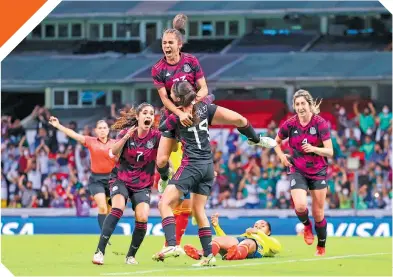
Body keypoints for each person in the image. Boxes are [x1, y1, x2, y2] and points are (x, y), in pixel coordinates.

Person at [152, 81, 276, 266]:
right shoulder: (204, 108)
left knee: (164, 204)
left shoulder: (171, 119)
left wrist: (163, 176)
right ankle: (208, 256)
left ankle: (171, 244)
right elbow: (239, 119)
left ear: (176, 99)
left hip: (191, 165)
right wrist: (254, 138)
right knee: (199, 210)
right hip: (208, 167)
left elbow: (162, 160)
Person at [151, 13, 209, 248]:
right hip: (173, 117)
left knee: (189, 158)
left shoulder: (192, 62)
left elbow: (204, 88)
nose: (166, 46)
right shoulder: (158, 69)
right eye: (164, 43)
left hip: (193, 116)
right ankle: (165, 179)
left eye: (170, 42)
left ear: (179, 44)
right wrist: (179, 112)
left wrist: (191, 107)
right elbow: (164, 98)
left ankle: (186, 184)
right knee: (161, 160)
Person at [92, 103, 160, 265]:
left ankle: (130, 256)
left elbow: (163, 157)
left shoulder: (157, 137)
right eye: (145, 112)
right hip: (121, 179)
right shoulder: (126, 133)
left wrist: (168, 172)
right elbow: (113, 152)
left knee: (142, 217)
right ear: (138, 116)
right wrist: (125, 137)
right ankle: (99, 251)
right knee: (118, 208)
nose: (148, 115)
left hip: (143, 183)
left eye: (151, 113)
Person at [273, 89, 333, 256]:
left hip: (318, 171)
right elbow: (275, 142)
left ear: (310, 105)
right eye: (297, 104)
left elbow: (330, 151)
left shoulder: (320, 123)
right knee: (300, 206)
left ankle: (321, 246)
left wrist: (314, 148)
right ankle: (307, 226)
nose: (300, 107)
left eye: (303, 104)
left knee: (318, 213)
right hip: (297, 169)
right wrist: (281, 156)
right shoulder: (290, 124)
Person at [48, 117, 116, 233]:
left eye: (104, 128)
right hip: (97, 179)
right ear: (96, 131)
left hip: (112, 179)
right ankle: (104, 234)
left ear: (108, 130)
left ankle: (107, 232)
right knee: (102, 207)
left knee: (111, 210)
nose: (102, 130)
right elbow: (73, 134)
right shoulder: (90, 141)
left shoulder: (115, 143)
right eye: (100, 128)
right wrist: (58, 126)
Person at [184, 213, 281, 261]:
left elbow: (277, 248)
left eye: (262, 226)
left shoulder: (268, 240)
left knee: (248, 242)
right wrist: (217, 226)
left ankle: (236, 253)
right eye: (256, 226)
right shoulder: (246, 234)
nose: (258, 227)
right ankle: (200, 253)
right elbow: (225, 239)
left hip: (253, 246)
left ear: (269, 232)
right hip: (239, 241)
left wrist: (258, 233)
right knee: (219, 240)